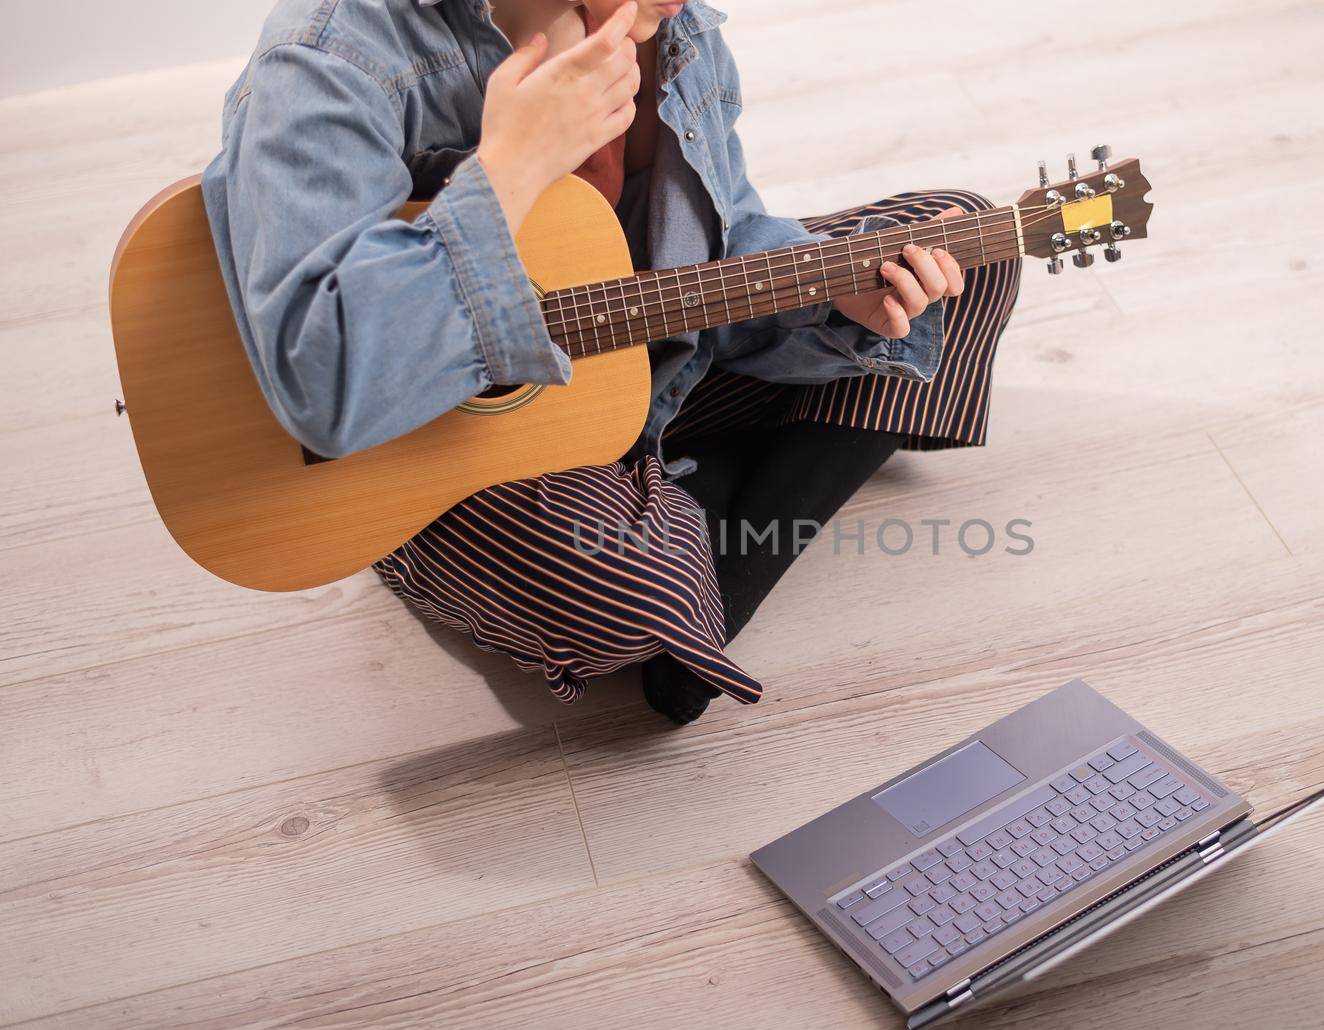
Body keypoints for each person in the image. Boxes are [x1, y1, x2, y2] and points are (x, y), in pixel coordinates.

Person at [202, 0, 1019, 724]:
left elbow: (714, 254)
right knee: (627, 592)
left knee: (967, 246)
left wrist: (837, 305)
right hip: (427, 448)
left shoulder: (675, 27)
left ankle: (671, 532)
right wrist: (509, 169)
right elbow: (321, 385)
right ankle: (660, 552)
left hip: (637, 356)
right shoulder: (330, 55)